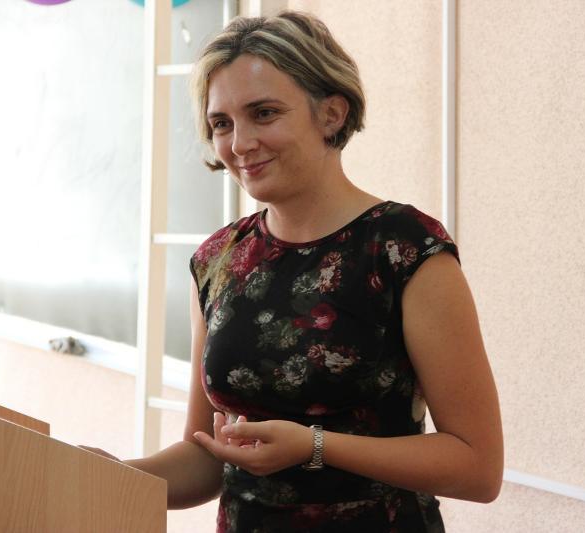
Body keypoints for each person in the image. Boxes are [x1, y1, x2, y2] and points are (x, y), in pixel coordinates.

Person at [82, 10, 503, 532]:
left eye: (264, 113)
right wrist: (112, 475)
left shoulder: (404, 248)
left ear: (331, 114)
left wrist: (314, 446)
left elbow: (478, 467)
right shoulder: (218, 259)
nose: (240, 143)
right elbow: (207, 457)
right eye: (221, 123)